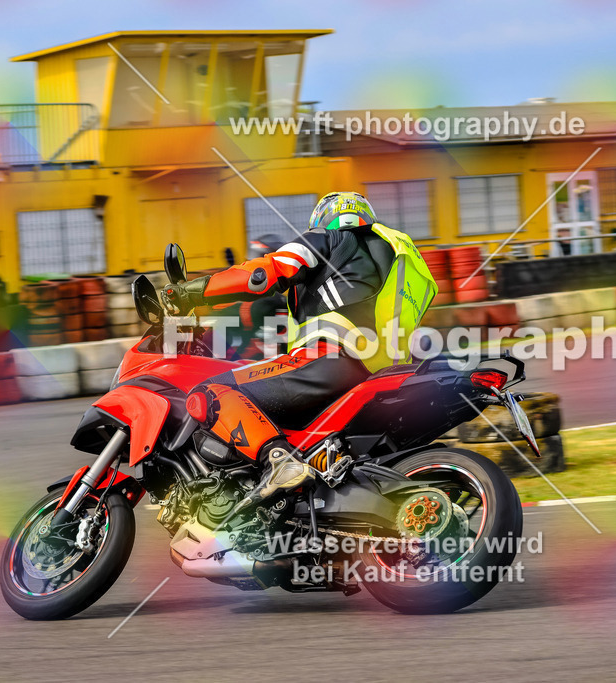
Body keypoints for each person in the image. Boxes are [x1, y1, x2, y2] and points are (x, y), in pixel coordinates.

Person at [163, 192, 437, 513]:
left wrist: (191, 292)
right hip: (374, 370)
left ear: (325, 216)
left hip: (326, 360)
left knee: (211, 390)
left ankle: (277, 462)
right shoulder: (393, 254)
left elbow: (264, 273)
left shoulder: (330, 239)